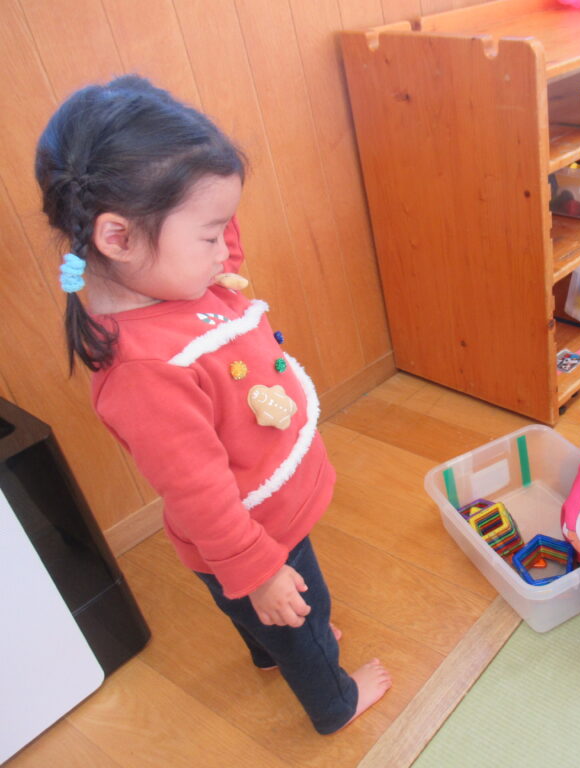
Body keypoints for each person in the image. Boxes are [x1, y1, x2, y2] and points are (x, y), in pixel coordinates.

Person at [35, 75, 390, 735]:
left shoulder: (171, 280)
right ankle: (334, 701)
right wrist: (260, 572)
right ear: (117, 238)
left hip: (258, 523)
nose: (225, 249)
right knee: (303, 616)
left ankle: (271, 646)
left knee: (268, 620)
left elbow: (213, 237)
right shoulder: (146, 371)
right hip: (255, 534)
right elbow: (199, 494)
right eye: (209, 235)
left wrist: (208, 204)